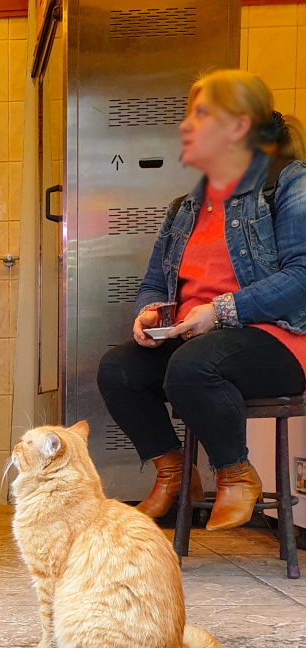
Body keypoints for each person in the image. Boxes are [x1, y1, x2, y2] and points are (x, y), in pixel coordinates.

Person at [97, 70, 306, 530]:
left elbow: (302, 277)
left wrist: (220, 311)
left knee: (192, 366)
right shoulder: (185, 207)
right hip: (199, 342)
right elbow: (154, 283)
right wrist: (149, 313)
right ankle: (174, 474)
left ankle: (236, 473)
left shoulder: (289, 183)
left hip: (278, 340)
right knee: (119, 369)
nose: (187, 125)